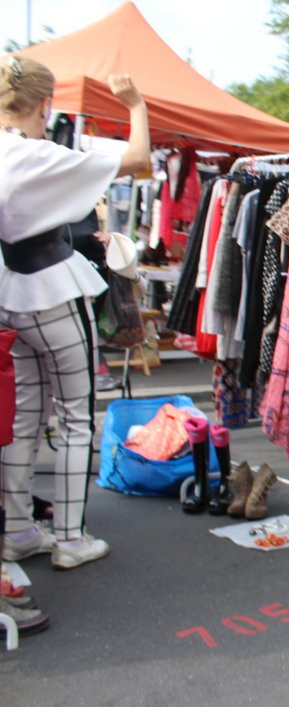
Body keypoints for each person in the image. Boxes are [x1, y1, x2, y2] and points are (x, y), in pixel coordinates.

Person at [0, 57, 151, 576]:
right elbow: (138, 158)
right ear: (45, 104)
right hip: (52, 293)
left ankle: (18, 529)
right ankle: (69, 537)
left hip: (11, 293)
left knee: (22, 417)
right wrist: (136, 105)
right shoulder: (35, 154)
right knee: (74, 418)